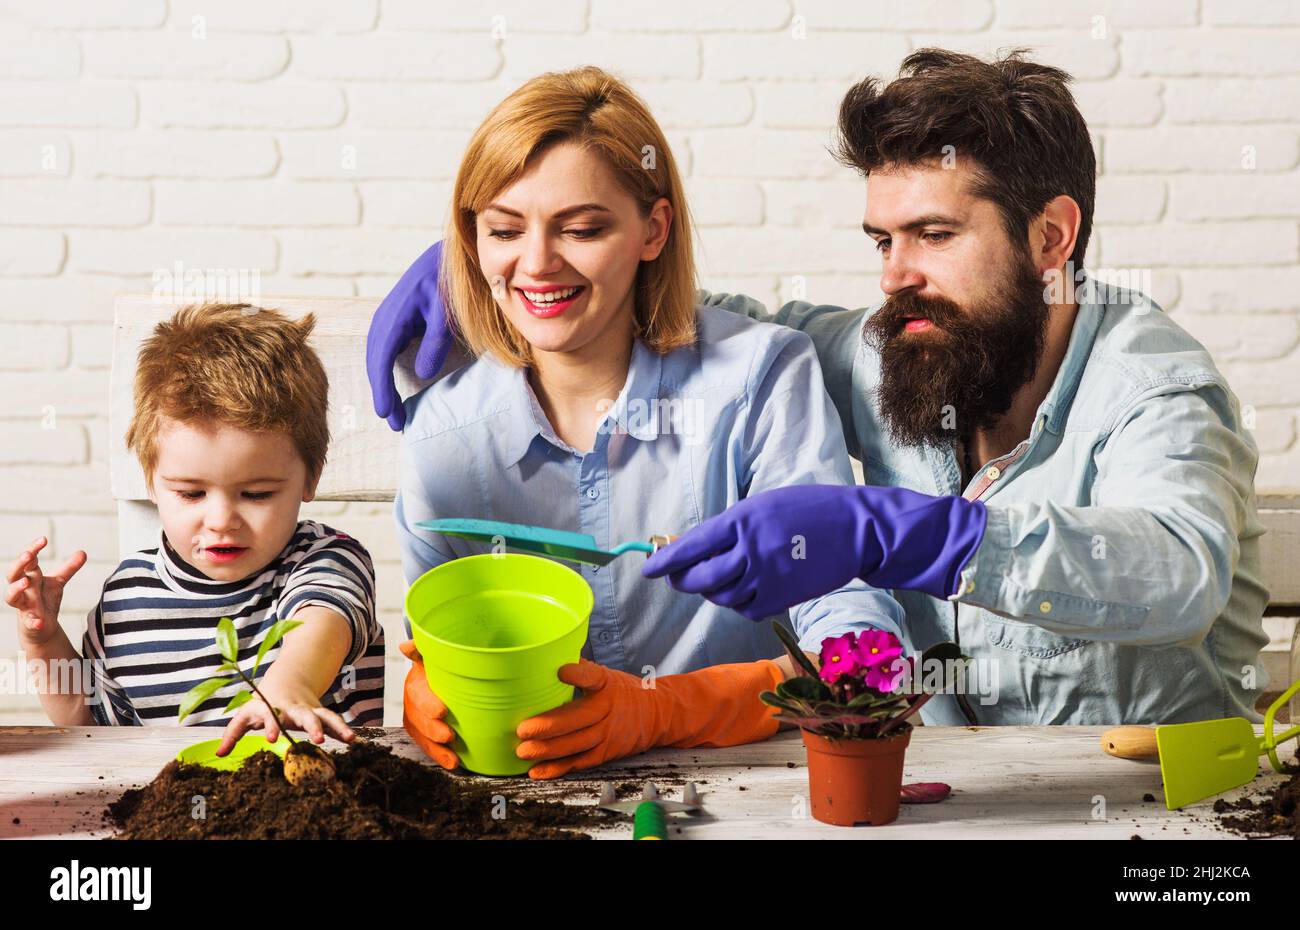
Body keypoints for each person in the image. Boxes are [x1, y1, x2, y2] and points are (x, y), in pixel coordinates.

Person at [369, 50, 1269, 728]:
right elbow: (702, 323)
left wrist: (908, 536)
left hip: (1164, 820)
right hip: (947, 805)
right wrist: (502, 269)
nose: (894, 277)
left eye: (933, 234)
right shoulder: (899, 352)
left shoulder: (1154, 386)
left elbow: (1177, 570)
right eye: (883, 241)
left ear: (1049, 238)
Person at [386, 67, 906, 779]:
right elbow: (431, 645)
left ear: (653, 229)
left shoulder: (758, 378)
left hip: (737, 787)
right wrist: (425, 688)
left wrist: (666, 709)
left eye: (581, 228)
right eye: (504, 229)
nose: (536, 263)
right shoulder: (443, 431)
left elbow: (861, 649)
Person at [6, 304, 385, 754]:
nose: (221, 520)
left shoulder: (325, 559)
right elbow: (88, 722)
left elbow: (323, 619)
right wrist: (44, 638)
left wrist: (289, 686)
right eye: (191, 493)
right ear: (151, 481)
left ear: (311, 478)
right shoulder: (126, 600)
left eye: (258, 494)